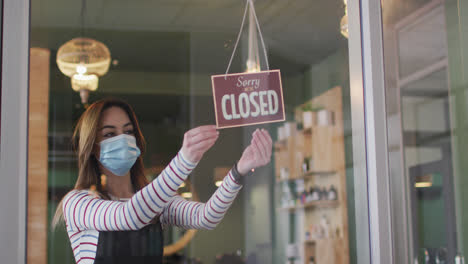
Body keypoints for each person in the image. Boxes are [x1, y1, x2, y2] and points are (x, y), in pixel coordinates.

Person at [52, 98, 273, 264]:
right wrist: (183, 162)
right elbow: (129, 215)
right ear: (92, 146)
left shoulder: (157, 203)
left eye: (128, 132)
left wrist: (238, 171)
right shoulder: (78, 203)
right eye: (109, 134)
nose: (122, 139)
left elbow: (206, 217)